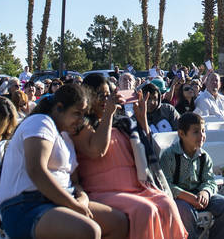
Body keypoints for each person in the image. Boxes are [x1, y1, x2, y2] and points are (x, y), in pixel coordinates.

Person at [0, 83, 127, 239]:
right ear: (59, 108)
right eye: (77, 113)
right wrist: (73, 205)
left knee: (118, 222)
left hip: (63, 200)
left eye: (84, 114)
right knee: (88, 231)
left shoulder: (66, 137)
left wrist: (82, 199)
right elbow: (36, 171)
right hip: (26, 205)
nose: (81, 120)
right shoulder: (40, 123)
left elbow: (75, 181)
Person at [73, 73, 186, 239]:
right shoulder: (82, 127)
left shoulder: (123, 123)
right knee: (146, 210)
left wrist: (142, 120)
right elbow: (98, 150)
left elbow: (146, 150)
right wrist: (108, 115)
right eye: (99, 95)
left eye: (107, 95)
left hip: (135, 186)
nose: (105, 100)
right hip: (103, 190)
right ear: (87, 96)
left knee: (167, 204)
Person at [159, 112, 224, 239]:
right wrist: (186, 196)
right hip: (179, 198)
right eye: (196, 132)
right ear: (182, 134)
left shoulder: (204, 156)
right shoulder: (169, 156)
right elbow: (165, 185)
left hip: (199, 196)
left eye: (203, 131)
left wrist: (205, 192)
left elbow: (209, 180)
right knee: (184, 211)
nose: (202, 136)